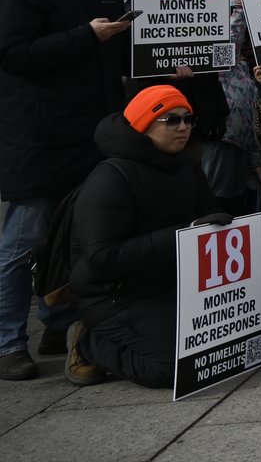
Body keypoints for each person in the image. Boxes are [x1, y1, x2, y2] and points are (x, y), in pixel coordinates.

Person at [0, 0, 132, 380]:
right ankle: (9, 343)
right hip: (39, 137)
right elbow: (13, 55)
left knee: (77, 240)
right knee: (23, 242)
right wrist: (86, 36)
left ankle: (59, 325)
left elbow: (118, 58)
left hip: (92, 135)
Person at [66, 85, 223, 387]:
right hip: (114, 294)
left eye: (188, 119)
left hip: (168, 282)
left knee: (221, 350)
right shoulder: (110, 177)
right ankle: (88, 341)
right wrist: (184, 233)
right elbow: (103, 258)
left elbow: (211, 220)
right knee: (175, 369)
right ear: (143, 124)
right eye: (172, 120)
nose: (183, 127)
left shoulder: (187, 166)